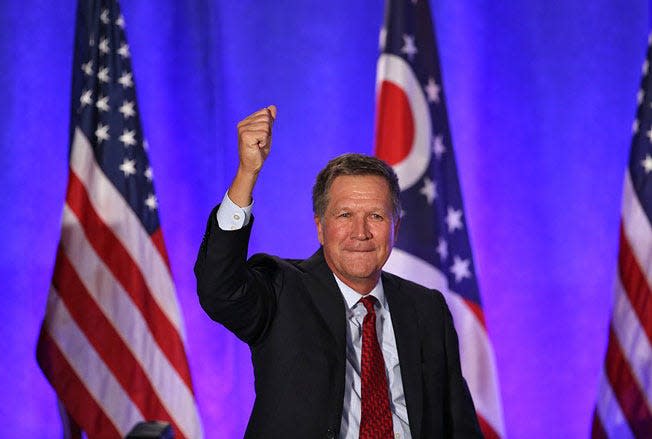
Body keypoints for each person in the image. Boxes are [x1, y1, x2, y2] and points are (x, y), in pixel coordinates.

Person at [194, 105, 483, 438]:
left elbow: (459, 426)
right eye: (345, 215)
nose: (360, 233)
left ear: (395, 228)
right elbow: (219, 290)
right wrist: (247, 174)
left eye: (376, 216)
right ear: (320, 227)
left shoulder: (427, 309)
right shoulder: (282, 289)